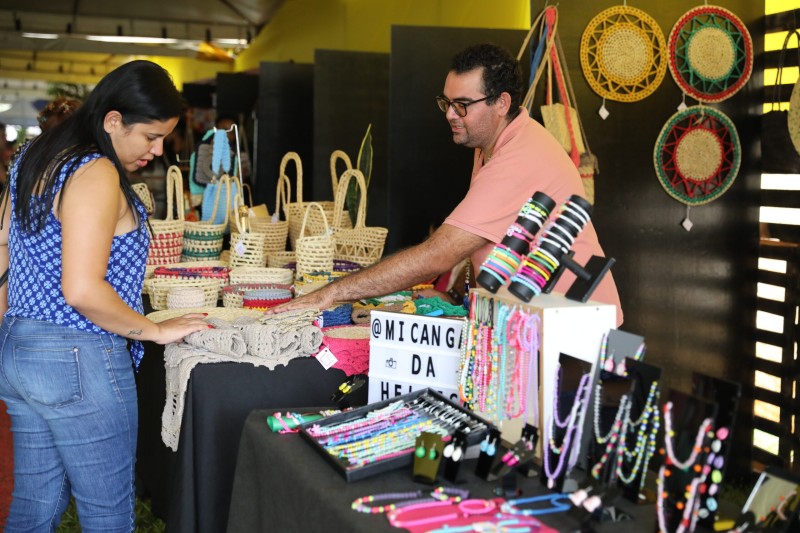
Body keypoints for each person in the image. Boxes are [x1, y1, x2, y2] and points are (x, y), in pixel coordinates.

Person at [272, 43, 623, 326]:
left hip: (575, 327)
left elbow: (439, 254)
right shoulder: (490, 143)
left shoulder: (521, 156)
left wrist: (330, 294)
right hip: (534, 319)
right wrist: (456, 296)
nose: (450, 114)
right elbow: (486, 240)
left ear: (501, 103)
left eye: (462, 105)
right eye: (447, 102)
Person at [0, 60, 210, 532]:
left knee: (35, 506)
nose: (157, 151)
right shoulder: (94, 170)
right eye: (150, 137)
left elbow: (3, 246)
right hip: (78, 354)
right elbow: (81, 288)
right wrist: (154, 330)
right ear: (113, 120)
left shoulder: (37, 154)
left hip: (21, 346)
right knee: (108, 516)